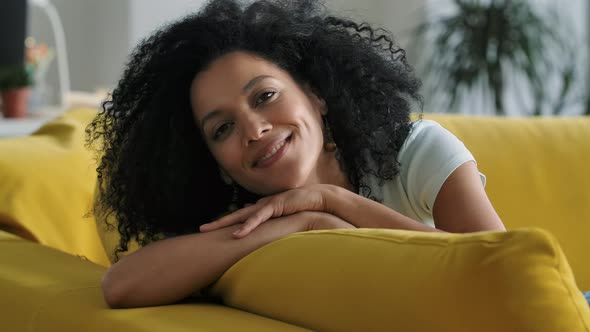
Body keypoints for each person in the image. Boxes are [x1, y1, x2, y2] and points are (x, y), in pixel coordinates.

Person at [86, 0, 506, 309]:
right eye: (222, 129)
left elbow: (501, 270)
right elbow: (121, 286)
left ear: (317, 95)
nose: (254, 129)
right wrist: (302, 224)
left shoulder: (413, 153)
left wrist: (333, 202)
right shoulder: (239, 213)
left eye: (265, 96)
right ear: (215, 163)